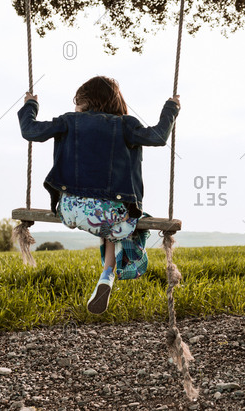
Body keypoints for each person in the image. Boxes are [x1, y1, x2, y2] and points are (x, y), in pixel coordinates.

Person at [17, 75, 180, 315]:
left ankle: (107, 274)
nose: (75, 108)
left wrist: (30, 104)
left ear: (86, 101)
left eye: (77, 102)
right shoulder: (126, 124)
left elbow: (30, 131)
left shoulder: (69, 121)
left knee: (107, 221)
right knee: (120, 218)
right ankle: (109, 273)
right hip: (112, 215)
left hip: (70, 210)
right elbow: (158, 136)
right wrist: (171, 108)